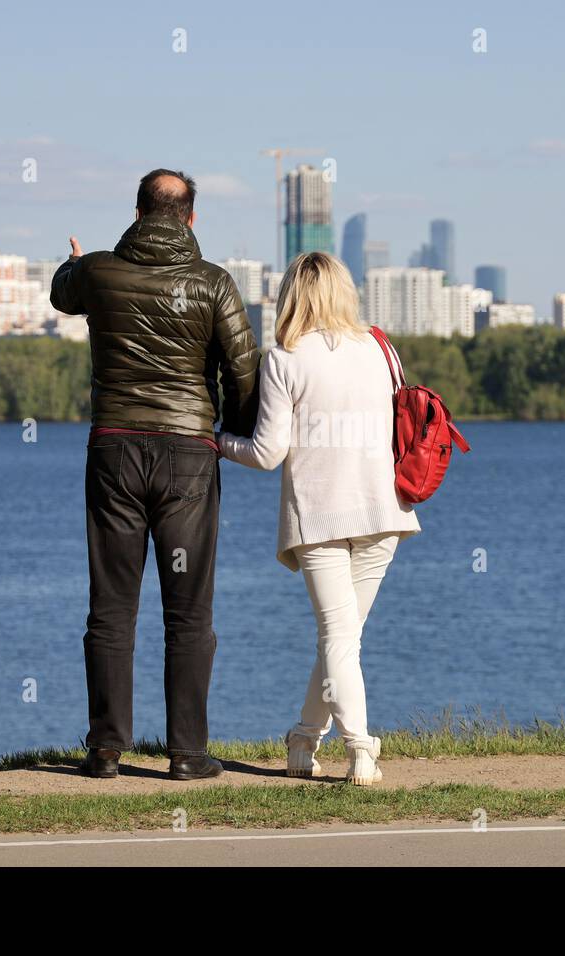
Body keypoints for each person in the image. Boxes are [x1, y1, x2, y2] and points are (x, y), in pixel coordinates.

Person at [51, 168, 259, 780]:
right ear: (191, 218)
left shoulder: (97, 272)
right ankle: (187, 755)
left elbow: (63, 293)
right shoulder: (214, 283)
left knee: (111, 605)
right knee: (188, 610)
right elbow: (242, 372)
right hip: (188, 455)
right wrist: (234, 435)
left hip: (114, 448)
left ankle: (106, 749)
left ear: (139, 211)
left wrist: (74, 263)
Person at [218, 252, 419, 786]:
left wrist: (218, 442)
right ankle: (304, 740)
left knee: (338, 638)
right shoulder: (378, 348)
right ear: (343, 291)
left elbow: (266, 453)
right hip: (384, 511)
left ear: (291, 295)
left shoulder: (284, 357)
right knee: (342, 639)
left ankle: (361, 748)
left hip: (320, 515)